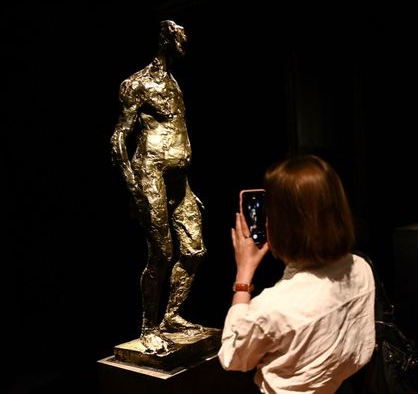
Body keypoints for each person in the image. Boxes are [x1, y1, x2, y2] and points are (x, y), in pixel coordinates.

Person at [218, 155, 376, 393]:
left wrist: (244, 274)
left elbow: (233, 358)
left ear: (284, 224)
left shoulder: (272, 308)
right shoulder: (361, 267)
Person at [110, 20, 206, 354]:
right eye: (180, 39)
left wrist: (188, 185)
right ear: (166, 40)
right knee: (162, 254)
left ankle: (172, 316)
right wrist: (134, 189)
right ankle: (148, 326)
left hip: (180, 181)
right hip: (150, 173)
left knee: (194, 250)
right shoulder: (138, 84)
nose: (184, 46)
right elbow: (119, 137)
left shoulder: (174, 81)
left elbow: (176, 132)